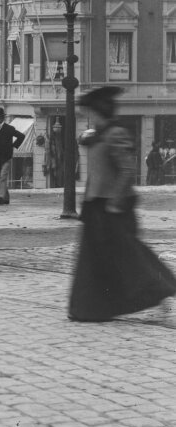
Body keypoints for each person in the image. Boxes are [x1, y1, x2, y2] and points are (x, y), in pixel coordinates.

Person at [68, 86, 176, 321]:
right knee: (96, 259)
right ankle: (92, 308)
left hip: (111, 207)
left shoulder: (115, 133)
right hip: (96, 206)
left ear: (100, 111)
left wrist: (116, 203)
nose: (89, 116)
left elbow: (126, 170)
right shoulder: (98, 134)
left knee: (128, 257)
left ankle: (161, 290)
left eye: (91, 112)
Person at [0, 108, 26, 205]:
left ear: (3, 118)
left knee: (2, 177)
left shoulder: (9, 129)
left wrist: (14, 145)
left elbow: (21, 136)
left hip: (6, 157)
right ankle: (6, 197)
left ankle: (0, 197)